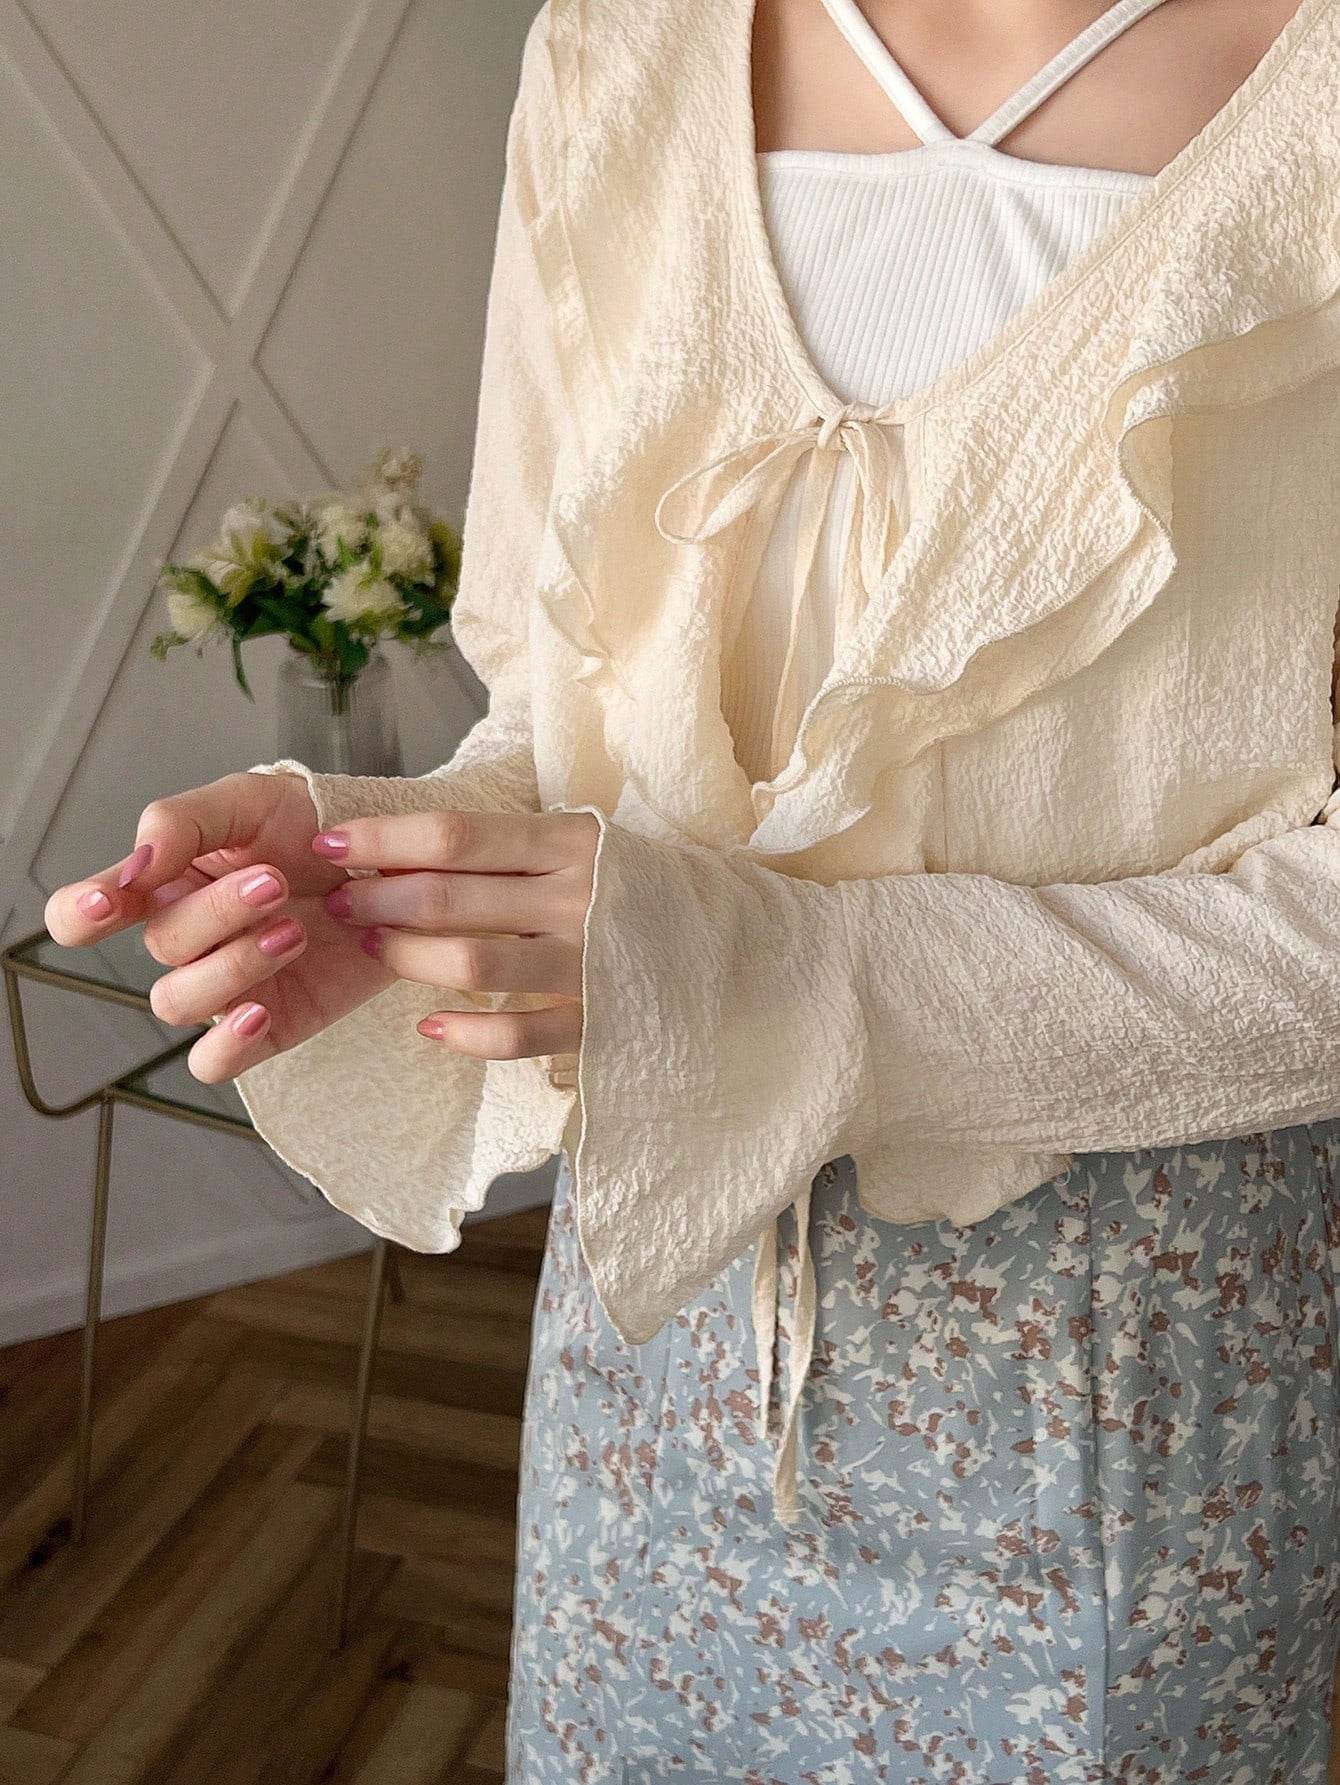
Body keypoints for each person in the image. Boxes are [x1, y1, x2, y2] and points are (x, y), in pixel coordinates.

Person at [47, 0, 1340, 1776]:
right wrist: (377, 864)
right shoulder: (617, 52)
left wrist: (774, 972)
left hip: (1118, 1418)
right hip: (654, 1369)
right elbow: (565, 718)